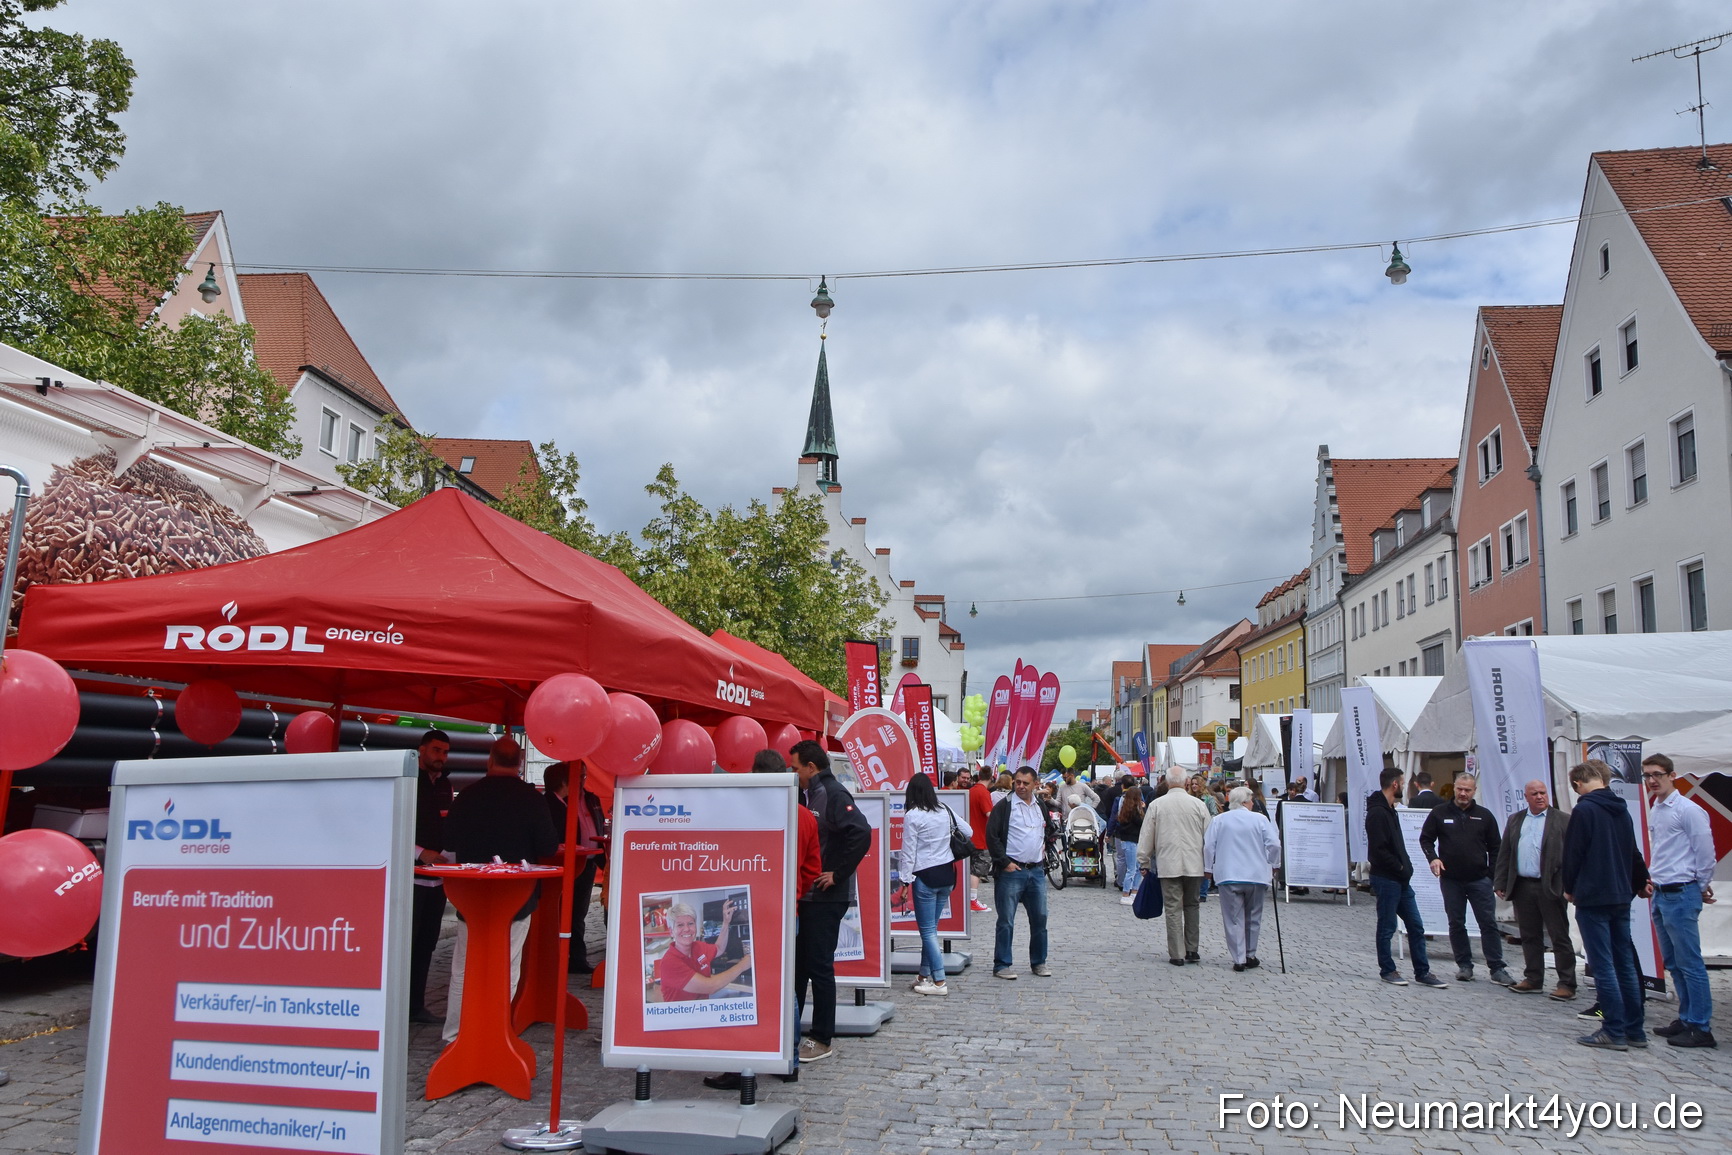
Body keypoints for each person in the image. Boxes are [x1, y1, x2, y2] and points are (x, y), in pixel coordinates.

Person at [707, 749, 813, 1090]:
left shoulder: (741, 812)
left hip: (749, 913)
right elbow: (811, 868)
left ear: (754, 774)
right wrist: (795, 892)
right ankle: (790, 1061)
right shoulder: (805, 816)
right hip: (785, 911)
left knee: (744, 989)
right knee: (785, 988)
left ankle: (740, 1065)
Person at [440, 736, 559, 1041]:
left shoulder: (467, 795)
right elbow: (547, 845)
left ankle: (455, 1033)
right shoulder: (532, 799)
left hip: (472, 895)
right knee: (507, 965)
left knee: (464, 967)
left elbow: (449, 842)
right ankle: (493, 1034)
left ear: (489, 759)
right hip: (516, 896)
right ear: (520, 763)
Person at [789, 740, 871, 1064]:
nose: (792, 773)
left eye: (795, 768)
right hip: (810, 897)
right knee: (799, 967)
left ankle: (822, 1038)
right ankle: (790, 1031)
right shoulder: (808, 794)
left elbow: (862, 832)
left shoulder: (834, 794)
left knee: (819, 967)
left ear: (811, 767)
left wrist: (837, 874)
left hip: (826, 897)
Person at [1562, 759, 1652, 1050]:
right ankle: (1634, 1029)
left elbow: (1573, 853)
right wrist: (1641, 880)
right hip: (1620, 895)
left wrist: (1568, 888)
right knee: (1625, 963)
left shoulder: (1584, 809)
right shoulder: (1621, 810)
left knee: (1603, 966)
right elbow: (1633, 851)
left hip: (1593, 895)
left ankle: (1613, 1030)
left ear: (1578, 783)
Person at [1641, 753, 1718, 1048]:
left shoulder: (1688, 810)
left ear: (1673, 776)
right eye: (1647, 775)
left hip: (1681, 891)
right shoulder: (1656, 807)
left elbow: (1705, 853)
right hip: (1661, 891)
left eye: (1657, 774)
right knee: (1674, 962)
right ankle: (1687, 1017)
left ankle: (1700, 1026)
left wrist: (1698, 887)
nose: (1651, 781)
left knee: (1690, 962)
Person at [1419, 772, 1512, 985]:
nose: (1463, 793)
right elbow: (1426, 839)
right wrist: (1433, 858)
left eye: (1467, 790)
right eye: (1460, 789)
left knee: (1488, 922)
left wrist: (1492, 876)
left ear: (1474, 791)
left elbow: (1496, 848)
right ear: (1454, 788)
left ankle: (1497, 967)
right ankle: (1464, 965)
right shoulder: (1439, 812)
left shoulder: (1484, 816)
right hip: (1451, 880)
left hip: (1480, 880)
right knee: (1456, 922)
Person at [1492, 779, 1576, 999]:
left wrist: (1569, 884)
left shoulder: (1562, 820)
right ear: (1526, 797)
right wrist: (1500, 881)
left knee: (1559, 936)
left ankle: (1567, 983)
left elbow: (1572, 855)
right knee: (1529, 935)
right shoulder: (1516, 820)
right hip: (1522, 885)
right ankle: (1533, 978)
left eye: (1543, 792)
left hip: (1551, 886)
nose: (1540, 796)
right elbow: (1506, 853)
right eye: (1535, 793)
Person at [1366, 767, 1447, 988]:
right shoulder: (1377, 813)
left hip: (1401, 879)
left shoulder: (1390, 809)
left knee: (1416, 925)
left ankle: (1422, 971)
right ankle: (1387, 969)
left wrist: (1405, 868)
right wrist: (1400, 867)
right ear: (1395, 784)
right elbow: (1378, 850)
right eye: (1401, 782)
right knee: (1387, 925)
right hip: (1387, 878)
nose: (1403, 786)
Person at [985, 766, 1056, 979]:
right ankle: (1002, 964)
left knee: (1040, 918)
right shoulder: (1005, 806)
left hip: (1035, 870)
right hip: (1011, 871)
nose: (1021, 786)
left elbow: (1047, 829)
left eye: (1025, 783)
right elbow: (992, 835)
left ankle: (1039, 962)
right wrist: (1004, 861)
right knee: (1006, 919)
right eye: (1017, 782)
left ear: (1035, 784)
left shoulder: (1039, 805)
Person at [903, 772, 971, 995]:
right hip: (947, 875)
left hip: (925, 876)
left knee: (928, 931)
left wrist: (904, 882)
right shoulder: (944, 809)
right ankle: (923, 976)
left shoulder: (913, 815)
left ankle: (940, 981)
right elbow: (968, 831)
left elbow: (908, 853)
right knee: (931, 929)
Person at [1204, 786, 1283, 971]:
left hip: (1229, 875)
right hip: (1256, 875)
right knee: (1253, 916)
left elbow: (1208, 846)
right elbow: (1274, 844)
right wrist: (1274, 863)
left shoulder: (1219, 820)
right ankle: (1250, 953)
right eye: (1251, 800)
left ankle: (1238, 958)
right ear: (1245, 802)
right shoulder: (1260, 819)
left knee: (1233, 918)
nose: (1253, 803)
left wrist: (1207, 868)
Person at [1137, 768, 1211, 965]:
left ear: (1167, 783)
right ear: (1187, 781)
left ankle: (1177, 953)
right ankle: (1192, 949)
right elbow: (1209, 837)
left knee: (1173, 908)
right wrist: (1210, 865)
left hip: (1168, 864)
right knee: (1192, 905)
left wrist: (1143, 861)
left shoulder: (1156, 805)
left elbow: (1146, 837)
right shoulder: (1198, 805)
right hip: (1195, 863)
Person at [542, 761, 607, 973]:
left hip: (587, 863)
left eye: (584, 776)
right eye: (578, 776)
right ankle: (556, 955)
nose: (582, 780)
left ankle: (577, 957)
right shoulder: (559, 800)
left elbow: (597, 823)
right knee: (560, 910)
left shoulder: (591, 798)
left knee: (579, 912)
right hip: (565, 862)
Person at [409, 729, 454, 1024]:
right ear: (422, 750)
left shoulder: (445, 784)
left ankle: (415, 1006)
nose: (441, 757)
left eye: (445, 752)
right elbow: (392, 822)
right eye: (437, 750)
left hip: (438, 878)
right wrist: (419, 851)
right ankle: (396, 1005)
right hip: (409, 878)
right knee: (406, 943)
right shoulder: (409, 780)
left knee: (427, 943)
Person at [1105, 775, 1148, 904]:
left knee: (1136, 867)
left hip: (1130, 840)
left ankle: (1134, 891)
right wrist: (1144, 808)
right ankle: (1126, 893)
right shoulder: (1134, 811)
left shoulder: (1125, 807)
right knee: (1132, 868)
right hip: (1131, 841)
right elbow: (1141, 822)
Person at [966, 767, 994, 912]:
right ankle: (972, 900)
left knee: (970, 870)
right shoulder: (984, 793)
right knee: (977, 871)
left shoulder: (970, 791)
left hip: (969, 836)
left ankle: (968, 900)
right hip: (980, 838)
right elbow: (990, 814)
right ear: (991, 778)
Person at [1187, 774, 1219, 901]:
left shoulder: (1208, 798)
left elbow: (1214, 814)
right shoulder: (1188, 798)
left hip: (1204, 833)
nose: (1194, 786)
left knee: (1205, 862)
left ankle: (1203, 893)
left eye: (1196, 784)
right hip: (1191, 832)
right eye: (1192, 784)